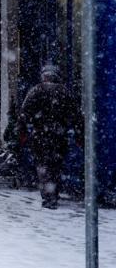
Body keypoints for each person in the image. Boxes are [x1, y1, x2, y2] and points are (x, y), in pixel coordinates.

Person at [19, 64, 83, 209]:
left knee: (43, 166)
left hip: (39, 135)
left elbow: (24, 113)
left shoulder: (36, 91)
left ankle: (48, 196)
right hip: (58, 136)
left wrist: (22, 132)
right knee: (55, 166)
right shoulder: (64, 92)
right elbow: (76, 116)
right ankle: (54, 193)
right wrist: (79, 134)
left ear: (45, 76)